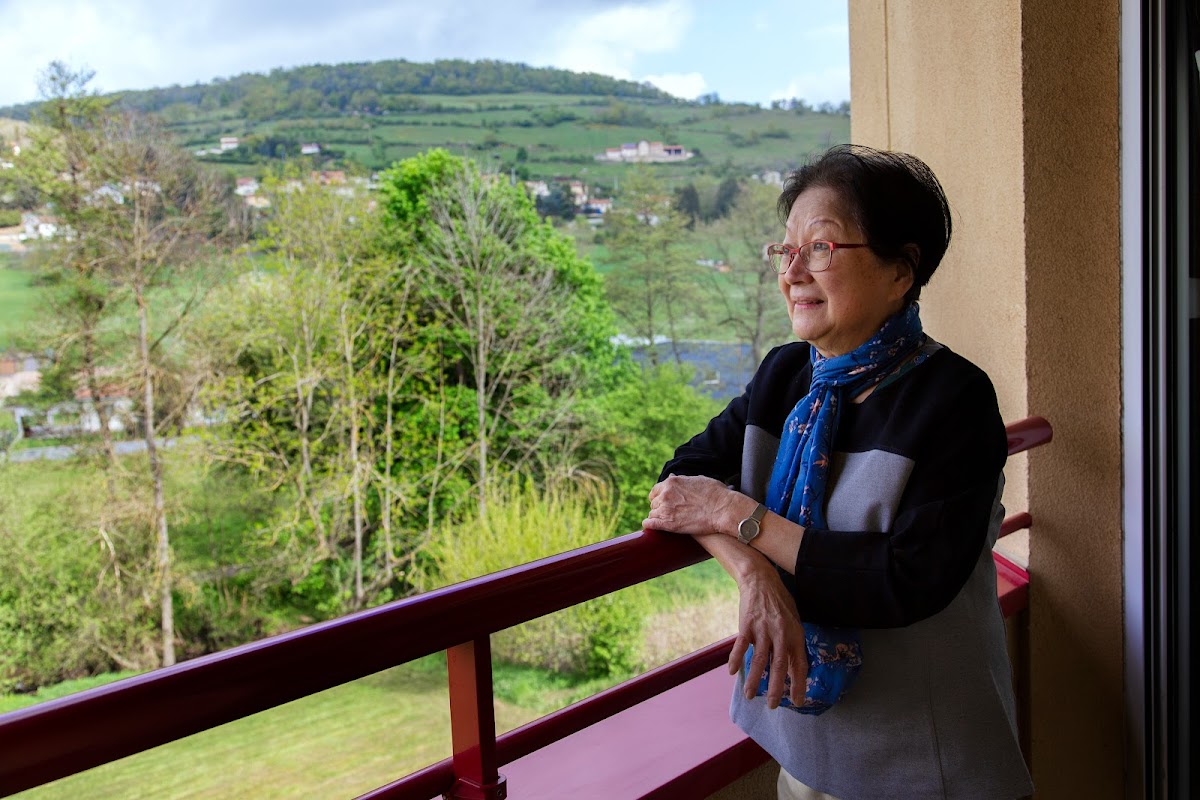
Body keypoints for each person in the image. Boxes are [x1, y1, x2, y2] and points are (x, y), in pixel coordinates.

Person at [642, 145, 1034, 800]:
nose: (792, 271)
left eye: (821, 247)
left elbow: (905, 579)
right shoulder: (784, 378)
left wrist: (742, 518)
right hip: (803, 749)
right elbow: (682, 486)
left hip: (925, 762)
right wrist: (754, 575)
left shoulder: (953, 399)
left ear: (902, 270)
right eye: (786, 249)